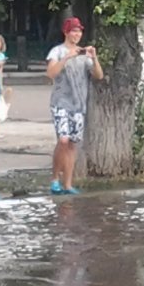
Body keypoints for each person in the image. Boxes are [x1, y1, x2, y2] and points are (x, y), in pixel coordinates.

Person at [46, 17, 104, 195]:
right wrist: (66, 58)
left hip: (79, 104)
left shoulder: (83, 54)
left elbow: (98, 76)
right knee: (63, 140)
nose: (77, 34)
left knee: (72, 144)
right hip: (61, 102)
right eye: (74, 31)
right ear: (66, 32)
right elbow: (51, 73)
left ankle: (68, 184)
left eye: (79, 31)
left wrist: (94, 59)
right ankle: (55, 178)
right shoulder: (57, 51)